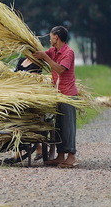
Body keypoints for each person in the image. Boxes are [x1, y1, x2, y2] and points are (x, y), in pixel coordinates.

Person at [32, 26, 78, 168]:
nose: (49, 39)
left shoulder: (68, 52)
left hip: (68, 95)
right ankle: (60, 156)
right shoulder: (53, 51)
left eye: (51, 37)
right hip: (57, 94)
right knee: (58, 126)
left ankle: (71, 157)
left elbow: (60, 69)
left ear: (56, 37)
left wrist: (45, 57)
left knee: (68, 126)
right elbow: (39, 55)